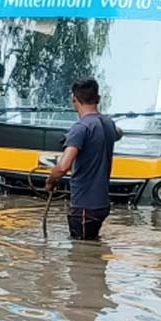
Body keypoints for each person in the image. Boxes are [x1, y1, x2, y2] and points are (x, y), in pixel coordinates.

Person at [45, 78, 121, 241]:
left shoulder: (80, 128)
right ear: (98, 99)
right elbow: (118, 133)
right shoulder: (108, 124)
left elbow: (62, 167)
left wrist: (50, 183)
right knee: (92, 247)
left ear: (74, 100)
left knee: (81, 256)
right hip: (101, 205)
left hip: (84, 207)